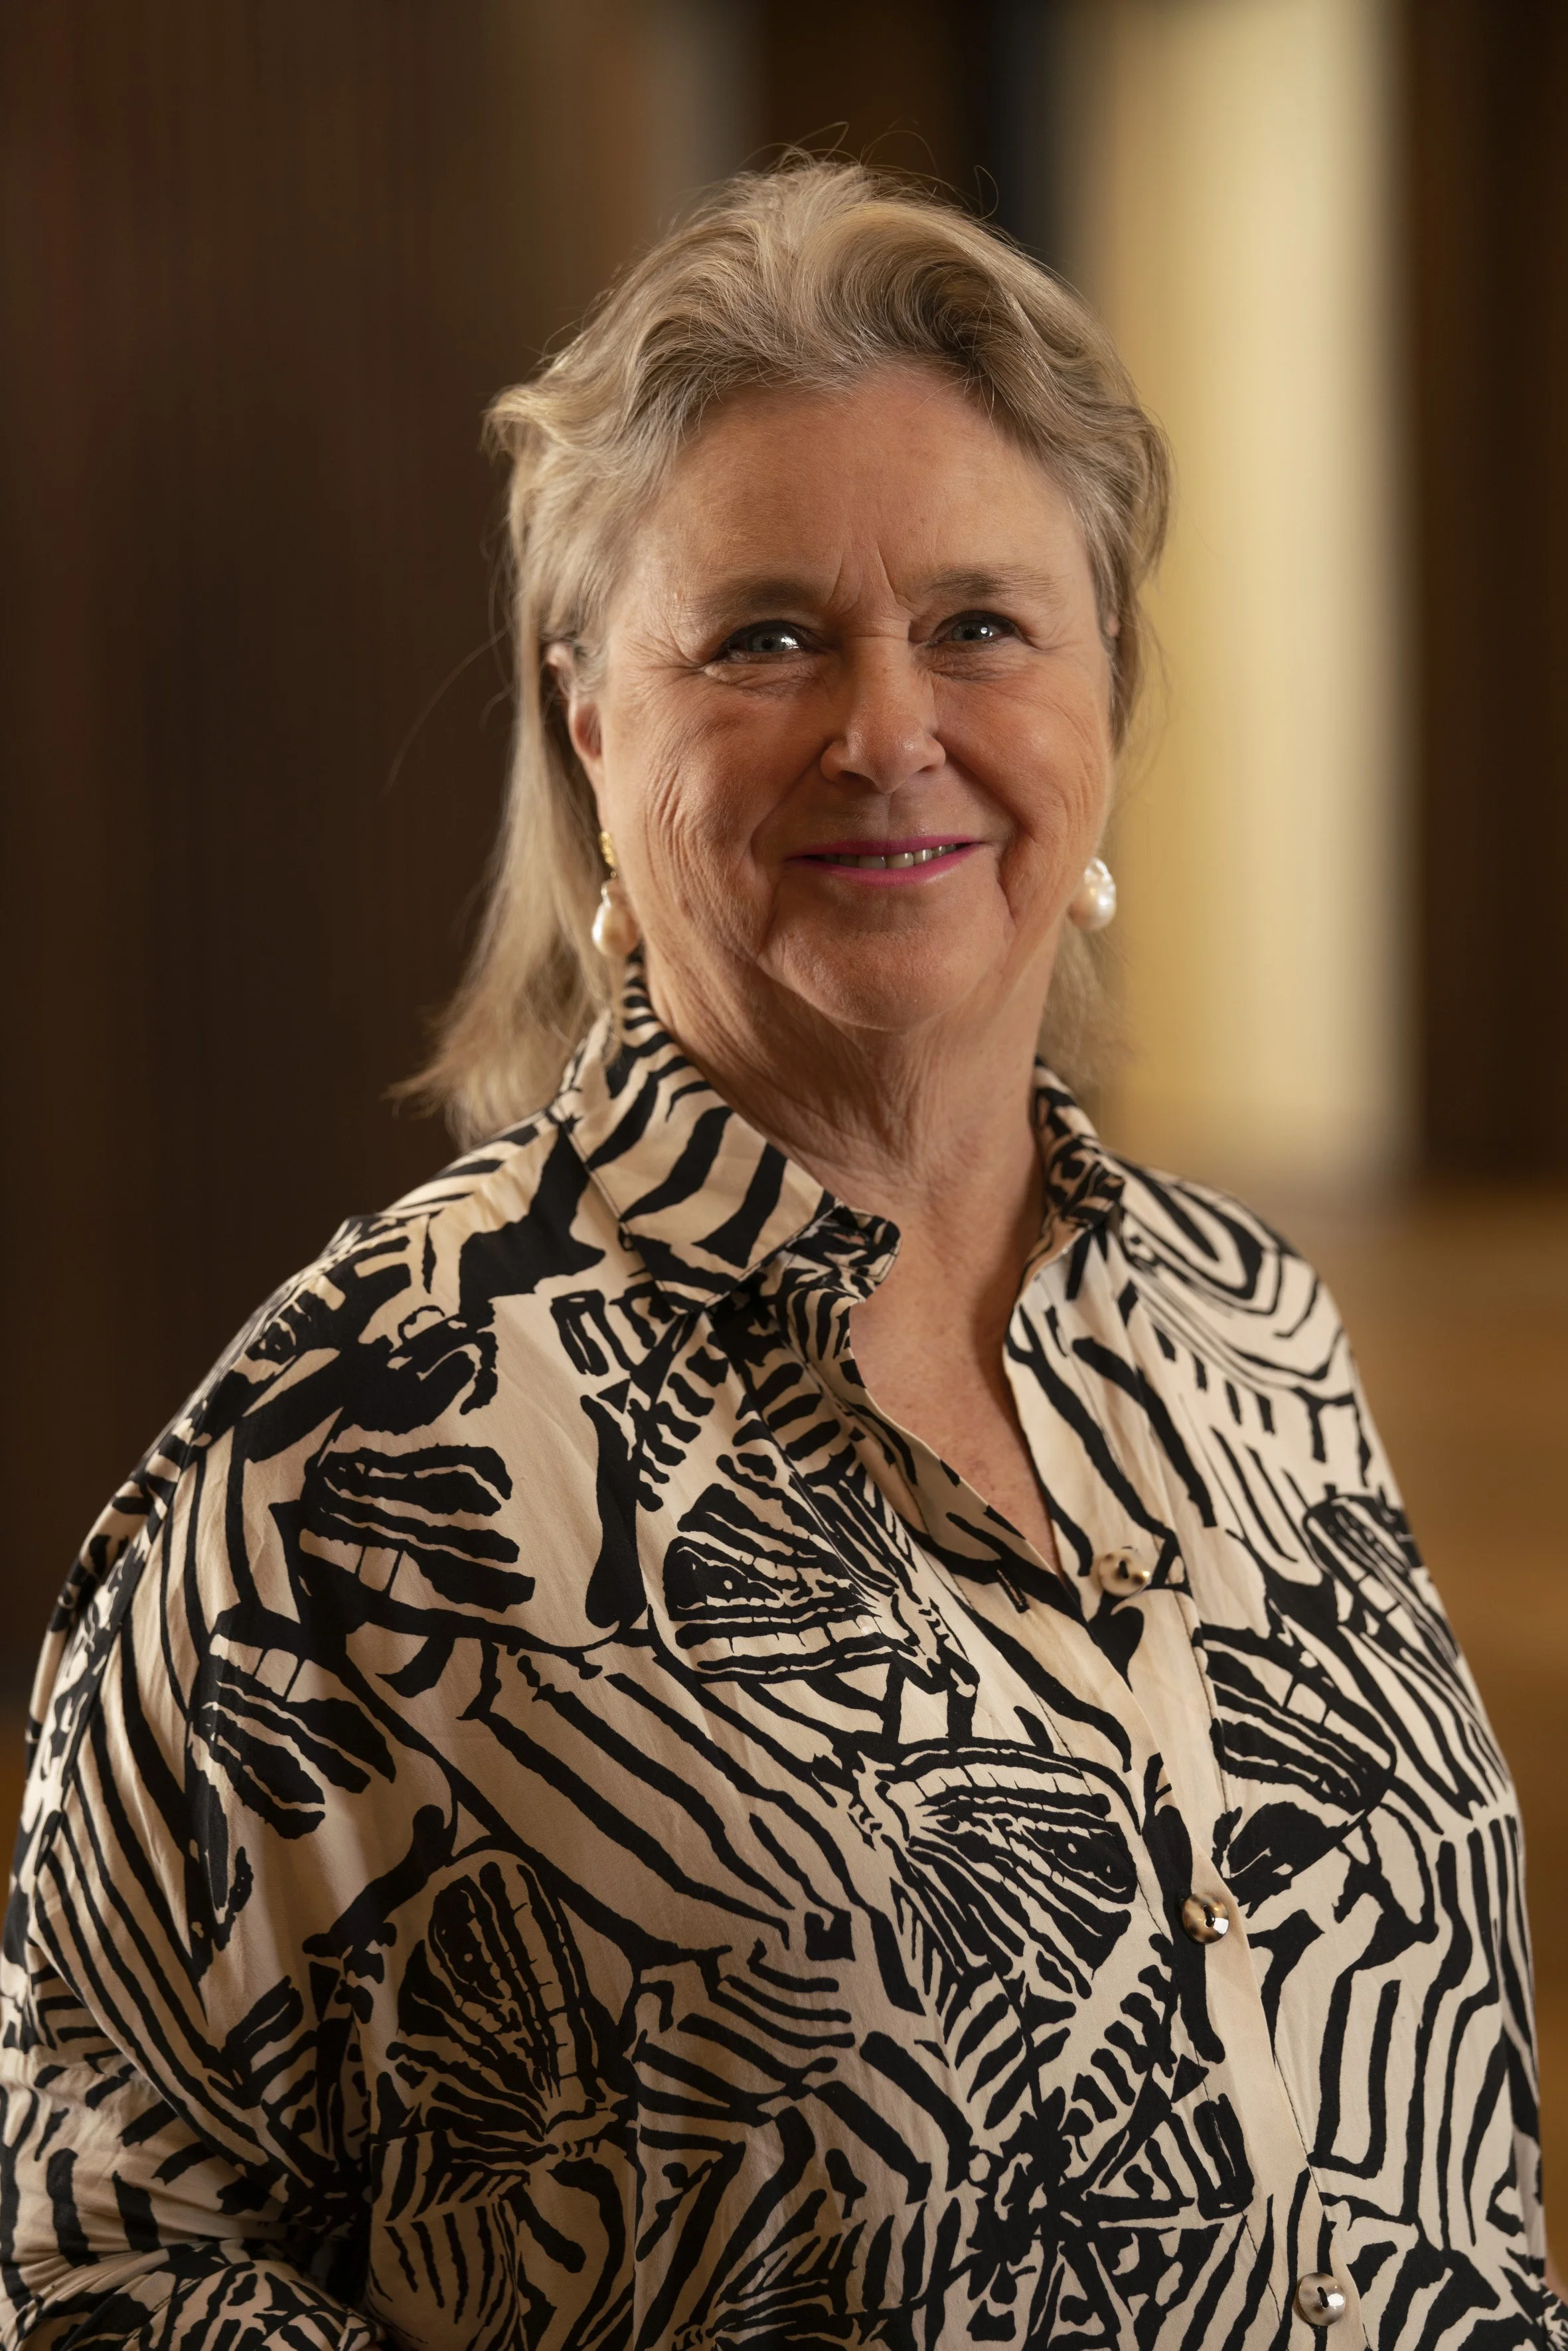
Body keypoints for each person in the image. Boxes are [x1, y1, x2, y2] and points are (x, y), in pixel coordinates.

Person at [0, 161, 1557, 2351]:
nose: (888, 730)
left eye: (982, 623)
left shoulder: (1256, 1328)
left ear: (1106, 685)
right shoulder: (343, 1460)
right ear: (590, 722)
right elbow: (101, 2260)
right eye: (767, 638)